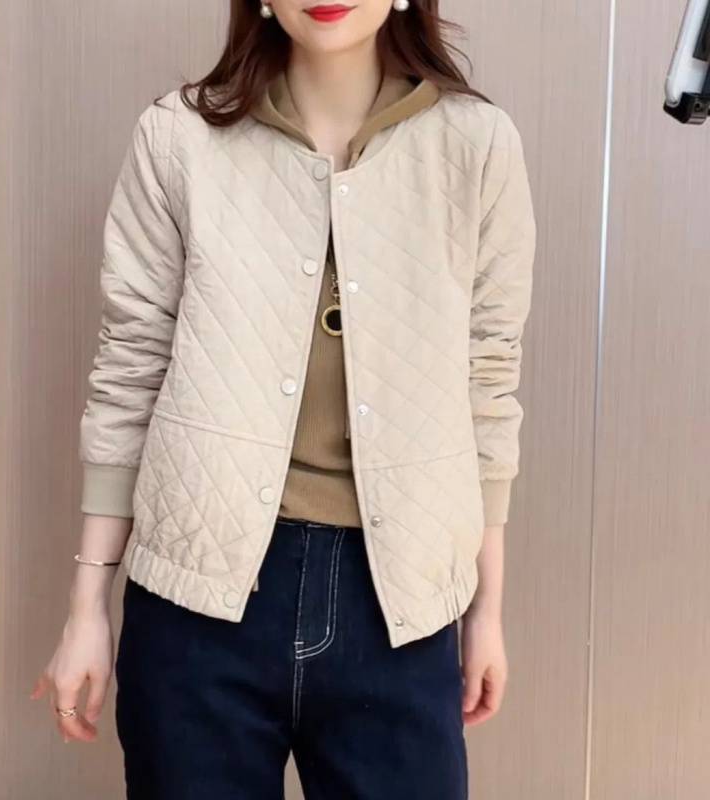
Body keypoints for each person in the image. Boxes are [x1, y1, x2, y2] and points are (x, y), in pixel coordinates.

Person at [31, 1, 537, 797]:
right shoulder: (177, 138)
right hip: (198, 604)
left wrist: (487, 612)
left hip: (399, 607)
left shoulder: (477, 146)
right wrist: (87, 606)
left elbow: (489, 386)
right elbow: (130, 369)